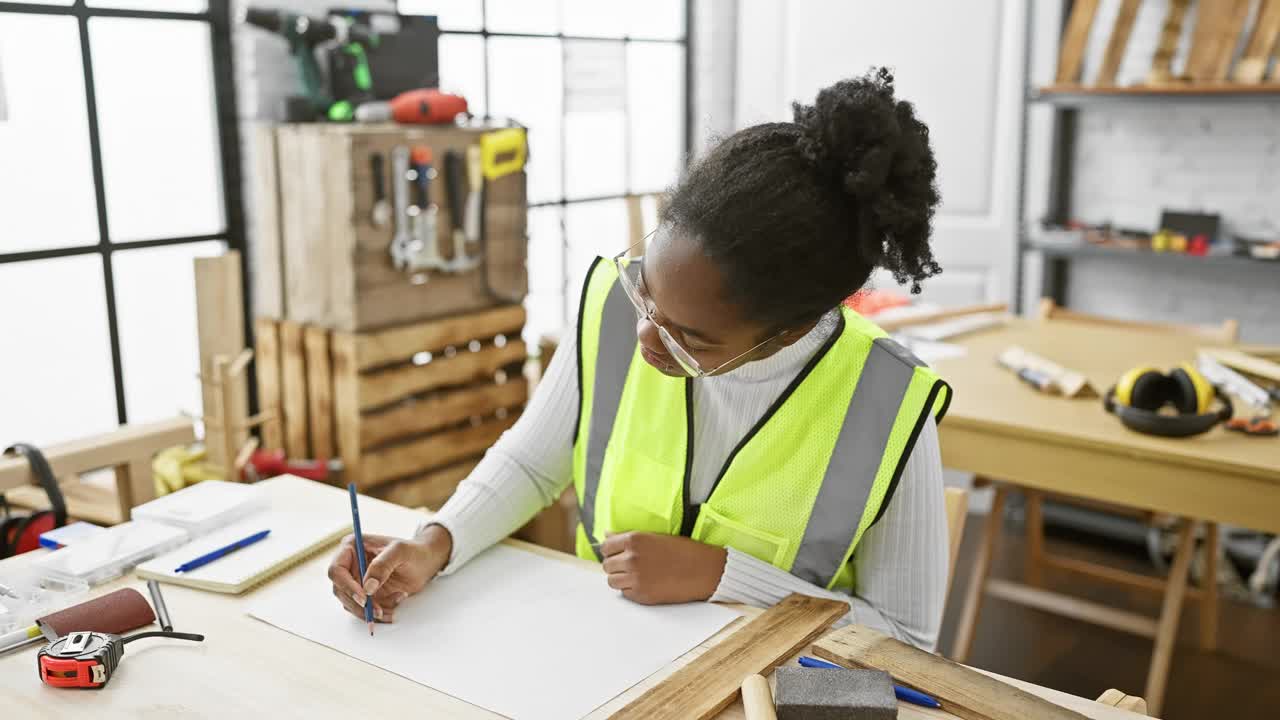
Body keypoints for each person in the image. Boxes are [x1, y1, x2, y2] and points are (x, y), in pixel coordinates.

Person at [328, 67, 953, 650]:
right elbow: (531, 463)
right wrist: (435, 541)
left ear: (789, 332)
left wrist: (727, 578)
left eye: (692, 339)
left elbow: (907, 636)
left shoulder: (887, 405)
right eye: (646, 293)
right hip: (592, 655)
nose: (645, 337)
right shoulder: (612, 305)